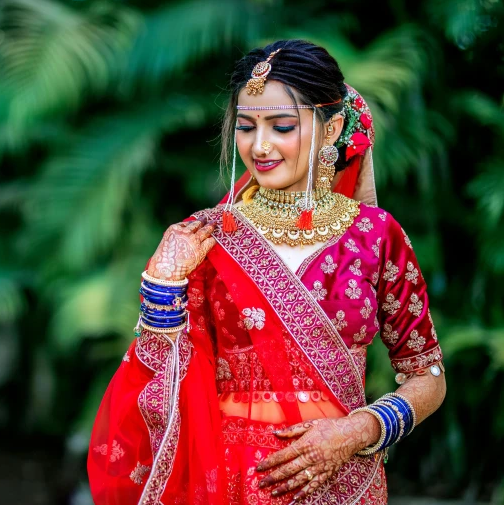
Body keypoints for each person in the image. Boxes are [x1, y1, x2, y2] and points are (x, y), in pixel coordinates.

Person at [86, 39, 447, 504]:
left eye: (281, 126)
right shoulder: (205, 238)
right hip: (232, 480)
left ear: (332, 126)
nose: (259, 146)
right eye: (245, 127)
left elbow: (427, 375)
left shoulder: (376, 235)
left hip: (347, 480)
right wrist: (161, 287)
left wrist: (356, 432)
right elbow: (162, 384)